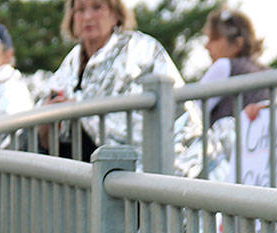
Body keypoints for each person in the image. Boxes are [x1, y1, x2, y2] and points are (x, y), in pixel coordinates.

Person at [45, 0, 200, 173]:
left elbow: (151, 119)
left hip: (131, 175)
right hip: (80, 175)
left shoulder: (142, 50)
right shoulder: (70, 62)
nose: (87, 17)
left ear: (116, 14)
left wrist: (77, 109)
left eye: (97, 7)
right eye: (80, 10)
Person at [198, 9, 267, 128]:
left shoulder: (224, 65)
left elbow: (193, 110)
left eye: (214, 39)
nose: (206, 46)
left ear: (237, 43)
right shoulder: (266, 72)